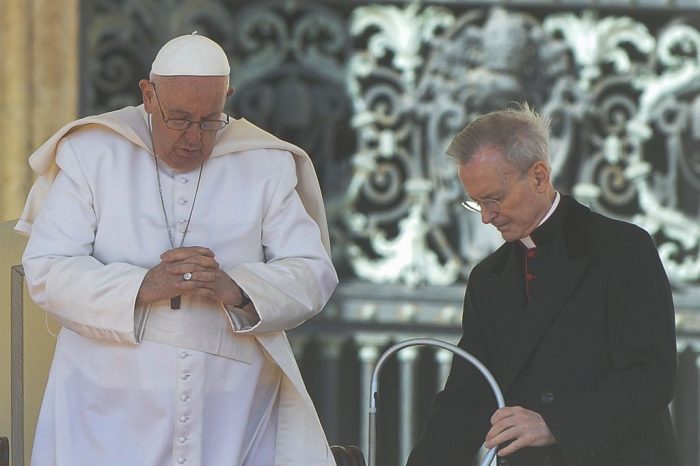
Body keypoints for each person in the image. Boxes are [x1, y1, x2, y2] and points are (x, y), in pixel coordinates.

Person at [17, 33, 339, 466]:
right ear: (148, 96)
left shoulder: (265, 163)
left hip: (230, 409)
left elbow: (313, 273)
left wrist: (237, 288)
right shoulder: (92, 153)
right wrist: (141, 285)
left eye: (209, 120)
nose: (193, 138)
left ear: (228, 97)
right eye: (180, 118)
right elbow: (46, 270)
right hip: (106, 408)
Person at [407, 104, 679, 466]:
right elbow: (467, 397)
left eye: (494, 199)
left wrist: (555, 424)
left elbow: (651, 377)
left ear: (538, 176)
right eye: (476, 204)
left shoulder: (623, 249)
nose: (487, 217)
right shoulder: (488, 279)